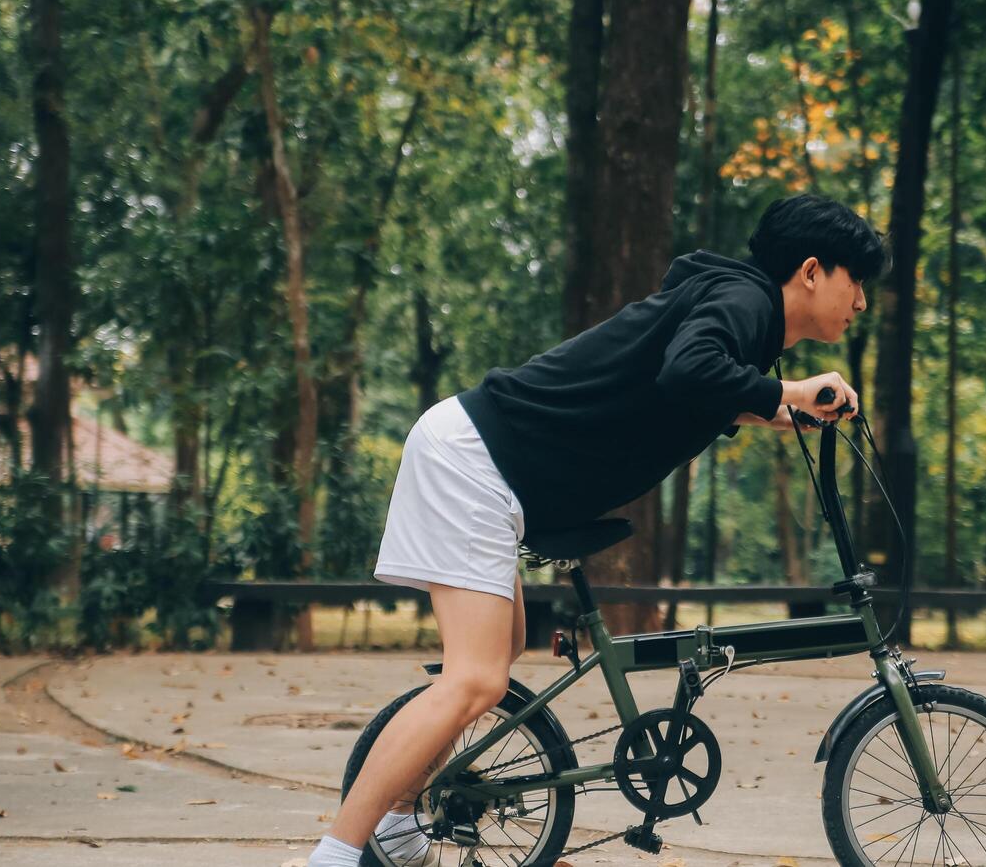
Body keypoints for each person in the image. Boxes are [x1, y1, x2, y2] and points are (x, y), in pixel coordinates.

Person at [306, 194, 889, 867]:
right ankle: (336, 853)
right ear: (812, 271)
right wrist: (788, 393)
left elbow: (690, 387)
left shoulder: (739, 305)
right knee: (473, 680)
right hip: (476, 462)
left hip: (491, 465)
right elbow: (690, 367)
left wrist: (788, 414)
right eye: (857, 282)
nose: (862, 302)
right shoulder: (746, 301)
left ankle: (401, 824)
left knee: (495, 662)